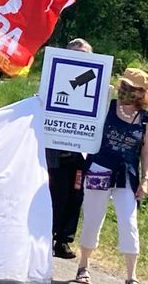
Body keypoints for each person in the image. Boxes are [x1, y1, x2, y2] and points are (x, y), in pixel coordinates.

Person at [75, 67, 148, 284]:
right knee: (92, 218)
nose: (126, 90)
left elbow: (146, 151)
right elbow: (82, 88)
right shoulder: (107, 105)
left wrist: (145, 180)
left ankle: (131, 276)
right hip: (99, 168)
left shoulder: (145, 118)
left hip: (127, 175)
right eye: (124, 85)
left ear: (142, 92)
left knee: (129, 222)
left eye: (132, 88)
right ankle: (83, 266)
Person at [47, 38, 92, 259]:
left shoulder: (93, 79)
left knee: (76, 196)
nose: (78, 58)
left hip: (81, 153)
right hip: (56, 153)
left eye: (83, 54)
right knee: (56, 196)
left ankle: (63, 240)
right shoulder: (54, 78)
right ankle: (46, 237)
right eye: (74, 54)